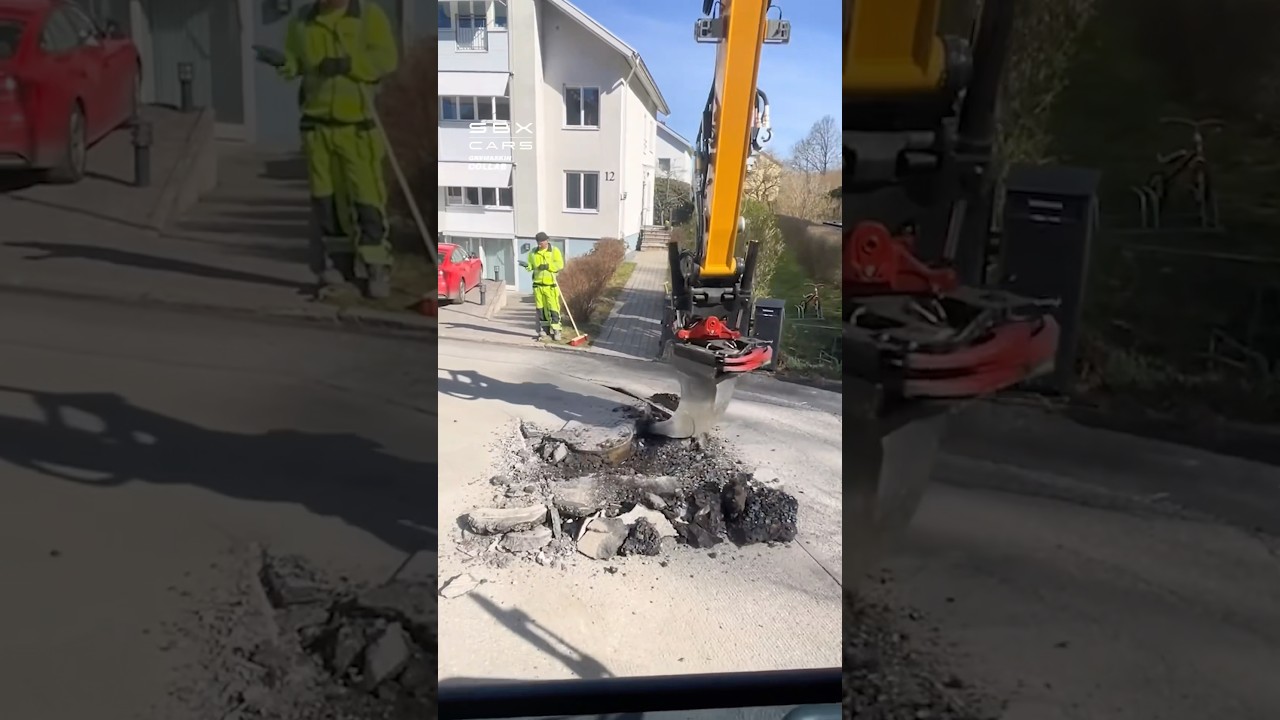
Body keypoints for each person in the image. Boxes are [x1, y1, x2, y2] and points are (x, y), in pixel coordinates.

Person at [265, 0, 399, 299]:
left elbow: (386, 60)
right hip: (317, 126)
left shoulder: (367, 17)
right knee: (328, 202)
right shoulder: (302, 21)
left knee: (367, 199)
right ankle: (340, 265)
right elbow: (296, 63)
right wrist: (283, 63)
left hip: (357, 127)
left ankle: (377, 265)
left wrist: (351, 64)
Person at [526, 233, 565, 340]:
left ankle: (557, 330)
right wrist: (527, 266)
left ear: (547, 240)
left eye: (542, 242)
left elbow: (560, 265)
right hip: (538, 286)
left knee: (553, 309)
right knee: (541, 310)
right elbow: (530, 265)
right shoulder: (533, 252)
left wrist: (549, 266)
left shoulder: (554, 251)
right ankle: (545, 329)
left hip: (550, 285)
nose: (540, 244)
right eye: (538, 242)